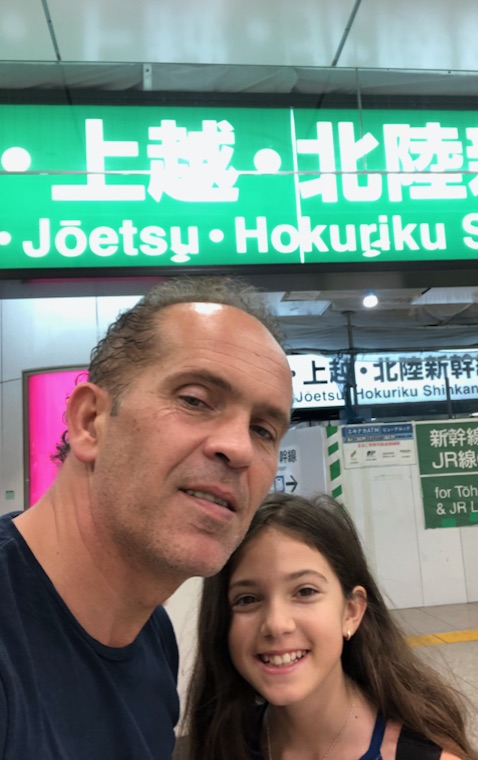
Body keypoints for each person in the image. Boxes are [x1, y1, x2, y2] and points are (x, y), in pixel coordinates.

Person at [0, 276, 293, 760]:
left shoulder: (152, 635)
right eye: (195, 400)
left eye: (263, 430)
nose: (239, 448)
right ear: (90, 422)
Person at [185, 493, 478, 760]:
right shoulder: (224, 742)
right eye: (247, 599)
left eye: (305, 591)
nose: (276, 624)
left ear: (351, 612)